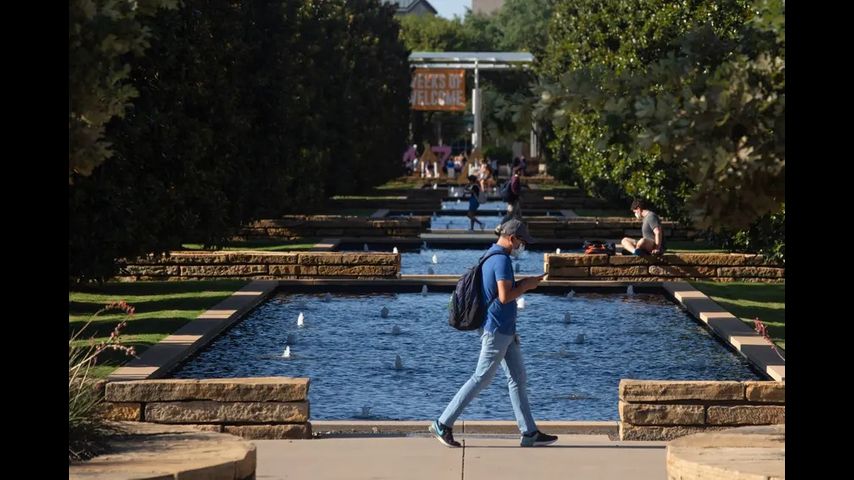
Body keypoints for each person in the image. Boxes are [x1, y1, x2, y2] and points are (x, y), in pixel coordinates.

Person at [429, 219, 558, 448]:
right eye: (522, 241)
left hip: (505, 330)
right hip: (497, 329)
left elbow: (502, 297)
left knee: (518, 379)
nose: (523, 246)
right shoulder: (501, 260)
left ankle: (529, 432)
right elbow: (504, 297)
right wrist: (527, 285)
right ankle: (443, 423)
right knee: (481, 378)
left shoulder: (491, 255)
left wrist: (513, 330)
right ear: (512, 238)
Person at [494, 166, 523, 234]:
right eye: (521, 171)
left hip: (514, 200)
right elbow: (514, 188)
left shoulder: (513, 177)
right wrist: (518, 194)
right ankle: (499, 228)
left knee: (518, 216)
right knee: (509, 215)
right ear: (518, 171)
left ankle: (519, 230)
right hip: (513, 200)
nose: (522, 172)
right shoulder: (516, 178)